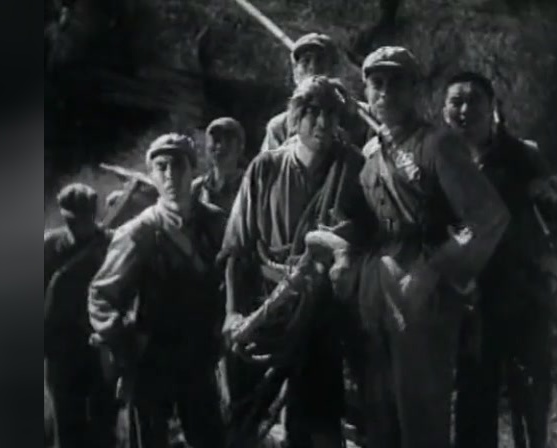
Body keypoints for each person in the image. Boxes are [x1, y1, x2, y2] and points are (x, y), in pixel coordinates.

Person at [333, 47, 510, 448]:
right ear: (366, 91)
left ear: (415, 90)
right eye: (377, 83)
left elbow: (488, 218)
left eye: (397, 83)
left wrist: (433, 270)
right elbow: (364, 223)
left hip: (424, 296)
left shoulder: (438, 144)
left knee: (421, 414)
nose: (385, 92)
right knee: (381, 413)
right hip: (379, 290)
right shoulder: (371, 151)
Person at [219, 76, 373, 448]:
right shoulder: (266, 168)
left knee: (317, 424)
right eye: (312, 113)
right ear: (295, 116)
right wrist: (233, 313)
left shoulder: (354, 168)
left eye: (331, 114)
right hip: (266, 308)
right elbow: (238, 249)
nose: (322, 122)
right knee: (243, 417)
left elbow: (366, 239)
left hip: (322, 313)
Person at [443, 71, 557, 448]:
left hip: (524, 299)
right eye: (456, 102)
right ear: (443, 111)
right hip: (470, 305)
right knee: (473, 402)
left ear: (493, 107)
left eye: (474, 100)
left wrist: (556, 273)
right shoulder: (440, 163)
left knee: (530, 402)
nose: (464, 110)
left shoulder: (523, 156)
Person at [88, 133, 228, 448]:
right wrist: (124, 344)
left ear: (193, 169)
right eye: (161, 167)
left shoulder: (215, 223)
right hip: (153, 361)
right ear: (151, 175)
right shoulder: (139, 233)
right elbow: (101, 296)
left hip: (200, 357)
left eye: (178, 165)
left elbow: (233, 275)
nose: (170, 175)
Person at [44, 182, 118, 448]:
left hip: (99, 348)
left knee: (104, 426)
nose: (79, 227)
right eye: (72, 221)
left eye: (84, 220)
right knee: (67, 428)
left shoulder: (110, 244)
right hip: (62, 351)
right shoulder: (49, 247)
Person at [260, 33, 366, 152]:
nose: (313, 67)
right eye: (305, 61)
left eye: (320, 60)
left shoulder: (360, 115)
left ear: (334, 69)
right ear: (295, 73)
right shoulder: (280, 126)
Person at [192, 116, 247, 211]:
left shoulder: (250, 186)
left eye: (228, 140)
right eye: (216, 139)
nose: (220, 146)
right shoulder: (197, 188)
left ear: (240, 147)